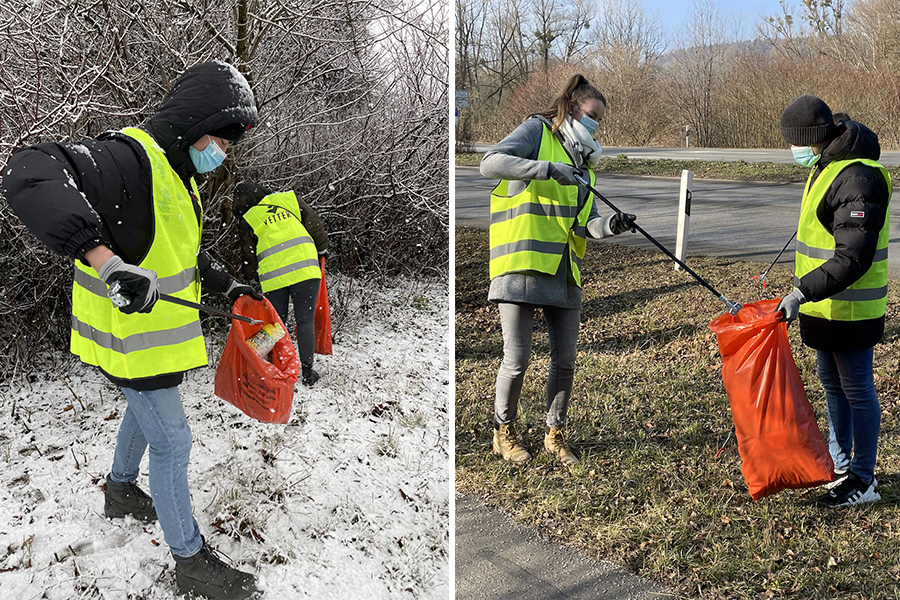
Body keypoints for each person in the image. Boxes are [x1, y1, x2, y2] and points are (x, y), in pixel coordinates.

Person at [2, 60, 264, 599]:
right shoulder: (125, 159)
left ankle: (120, 489)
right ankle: (190, 562)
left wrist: (229, 285)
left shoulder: (177, 175)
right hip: (127, 339)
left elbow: (180, 250)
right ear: (195, 125)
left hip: (155, 345)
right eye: (219, 138)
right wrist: (102, 258)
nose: (221, 152)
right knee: (174, 441)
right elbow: (28, 169)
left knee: (146, 414)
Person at [480, 73, 636, 466]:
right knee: (516, 360)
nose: (596, 125)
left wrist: (611, 226)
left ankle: (555, 432)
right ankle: (504, 431)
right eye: (591, 115)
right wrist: (546, 169)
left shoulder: (586, 168)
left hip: (565, 272)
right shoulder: (537, 131)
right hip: (521, 265)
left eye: (600, 119)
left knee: (565, 360)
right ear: (570, 108)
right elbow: (490, 163)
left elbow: (586, 224)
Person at [776, 95, 892, 507]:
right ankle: (840, 466)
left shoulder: (858, 178)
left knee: (857, 390)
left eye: (793, 142)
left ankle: (863, 480)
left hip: (851, 308)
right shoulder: (827, 167)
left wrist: (800, 292)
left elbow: (853, 256)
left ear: (812, 139)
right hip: (825, 307)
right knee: (832, 385)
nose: (791, 150)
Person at [233, 181, 329, 385]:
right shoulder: (289, 199)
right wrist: (321, 250)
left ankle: (272, 366)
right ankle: (308, 372)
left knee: (276, 323)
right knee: (305, 321)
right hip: (305, 269)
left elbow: (248, 257)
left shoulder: (249, 218)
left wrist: (248, 276)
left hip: (274, 276)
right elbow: (315, 225)